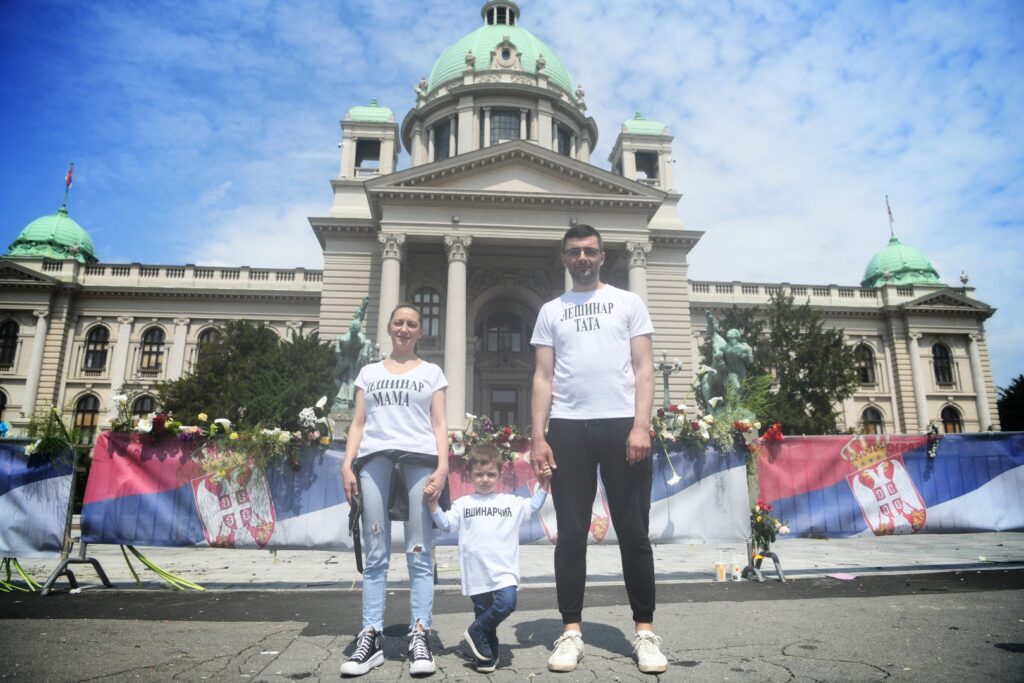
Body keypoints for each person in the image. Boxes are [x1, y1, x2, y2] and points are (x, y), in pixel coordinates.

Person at [529, 224, 669, 674]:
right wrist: (538, 435)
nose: (583, 258)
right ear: (565, 258)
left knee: (633, 533)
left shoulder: (628, 302)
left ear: (602, 256)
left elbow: (644, 368)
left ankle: (644, 632)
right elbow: (543, 377)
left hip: (622, 426)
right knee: (570, 535)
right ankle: (571, 631)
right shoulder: (551, 310)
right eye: (574, 252)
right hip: (568, 428)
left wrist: (641, 425)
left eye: (590, 251)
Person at [340, 303, 449, 678]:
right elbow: (358, 422)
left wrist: (444, 465)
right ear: (389, 328)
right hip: (374, 461)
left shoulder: (432, 372)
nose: (405, 329)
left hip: (419, 460)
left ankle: (420, 632)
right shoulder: (368, 372)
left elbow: (439, 424)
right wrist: (346, 463)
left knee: (420, 551)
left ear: (421, 332)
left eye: (412, 324)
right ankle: (371, 635)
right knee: (376, 552)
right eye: (399, 323)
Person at [427, 442, 550, 673]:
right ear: (469, 475)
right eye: (479, 474)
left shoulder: (510, 503)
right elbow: (445, 524)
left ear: (500, 474)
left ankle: (475, 631)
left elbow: (533, 506)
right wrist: (433, 504)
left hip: (504, 570)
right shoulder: (463, 504)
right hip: (476, 572)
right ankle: (486, 654)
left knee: (507, 603)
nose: (485, 479)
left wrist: (544, 484)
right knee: (484, 612)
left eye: (491, 474)